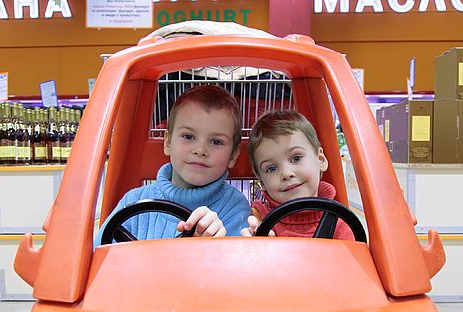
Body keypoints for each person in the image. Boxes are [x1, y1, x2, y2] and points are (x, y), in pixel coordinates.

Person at [96, 85, 251, 244]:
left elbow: (237, 265)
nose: (200, 150)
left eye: (216, 141)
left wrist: (215, 245)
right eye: (188, 136)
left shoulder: (235, 208)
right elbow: (97, 258)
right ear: (168, 142)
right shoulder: (133, 201)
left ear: (233, 155)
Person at [241, 110, 355, 240]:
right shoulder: (258, 218)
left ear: (321, 160)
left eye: (296, 158)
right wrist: (252, 241)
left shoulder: (340, 224)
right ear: (261, 181)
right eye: (271, 168)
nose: (286, 174)